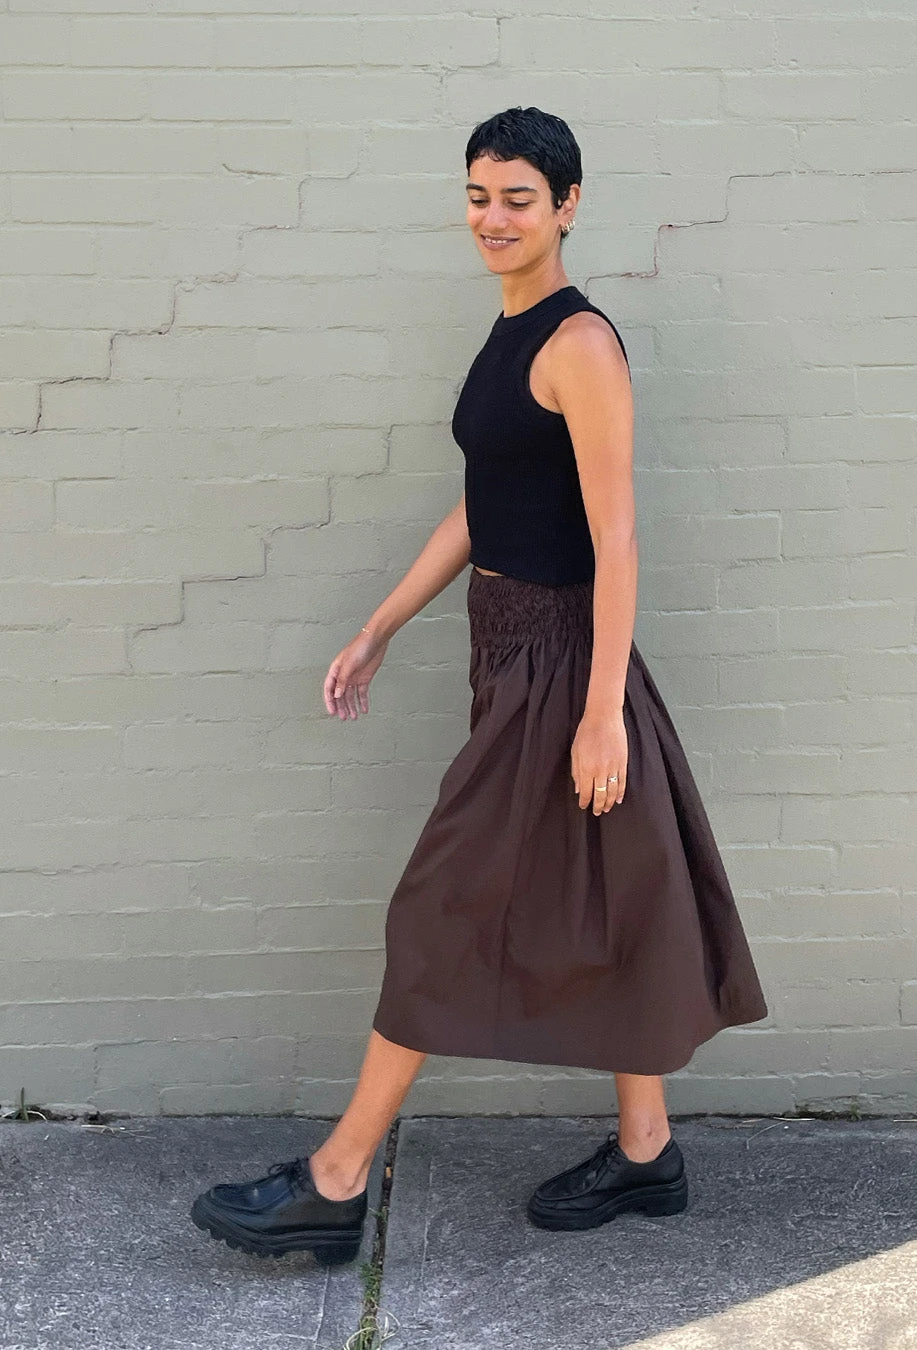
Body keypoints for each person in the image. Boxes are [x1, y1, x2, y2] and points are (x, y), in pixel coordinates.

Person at [190, 105, 768, 1266]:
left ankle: (337, 1179)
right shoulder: (508, 330)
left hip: (562, 661)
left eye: (518, 198)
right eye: (477, 196)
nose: (493, 218)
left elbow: (618, 538)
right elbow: (483, 504)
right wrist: (381, 625)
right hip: (508, 650)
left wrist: (600, 712)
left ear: (568, 206)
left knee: (436, 906)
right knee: (616, 888)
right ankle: (647, 1152)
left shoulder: (579, 344)